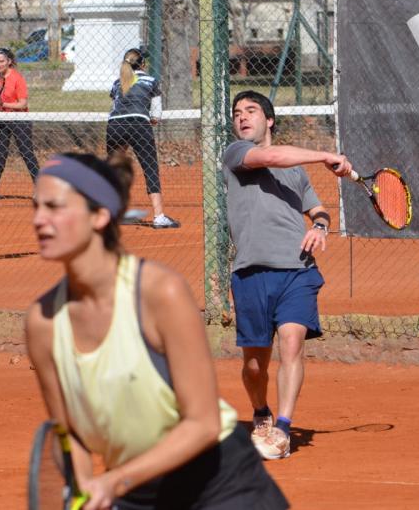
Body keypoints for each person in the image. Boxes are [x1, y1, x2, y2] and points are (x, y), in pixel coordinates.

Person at [25, 150, 288, 510]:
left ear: (100, 215)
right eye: (35, 207)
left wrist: (113, 482)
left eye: (54, 207)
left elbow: (203, 423)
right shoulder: (42, 323)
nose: (39, 220)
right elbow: (70, 432)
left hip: (220, 484)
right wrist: (87, 488)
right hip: (136, 494)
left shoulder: (158, 293)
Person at [221, 91, 352, 460]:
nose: (242, 117)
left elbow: (319, 210)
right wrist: (327, 154)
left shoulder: (296, 170)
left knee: (292, 344)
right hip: (251, 273)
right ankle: (260, 410)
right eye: (237, 113)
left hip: (297, 270)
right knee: (253, 365)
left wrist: (321, 228)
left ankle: (281, 426)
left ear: (270, 120)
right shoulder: (236, 154)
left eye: (251, 111)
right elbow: (273, 156)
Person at [105, 48, 180, 229]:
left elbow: (115, 105)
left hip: (114, 125)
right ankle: (159, 216)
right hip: (138, 124)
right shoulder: (151, 80)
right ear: (143, 65)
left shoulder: (117, 82)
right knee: (150, 168)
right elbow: (156, 113)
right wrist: (152, 120)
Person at [0, 47, 39, 201]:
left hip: (20, 120)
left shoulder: (17, 78)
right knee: (0, 155)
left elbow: (22, 103)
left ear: (9, 62)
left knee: (27, 153)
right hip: (1, 120)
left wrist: (4, 104)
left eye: (2, 61)